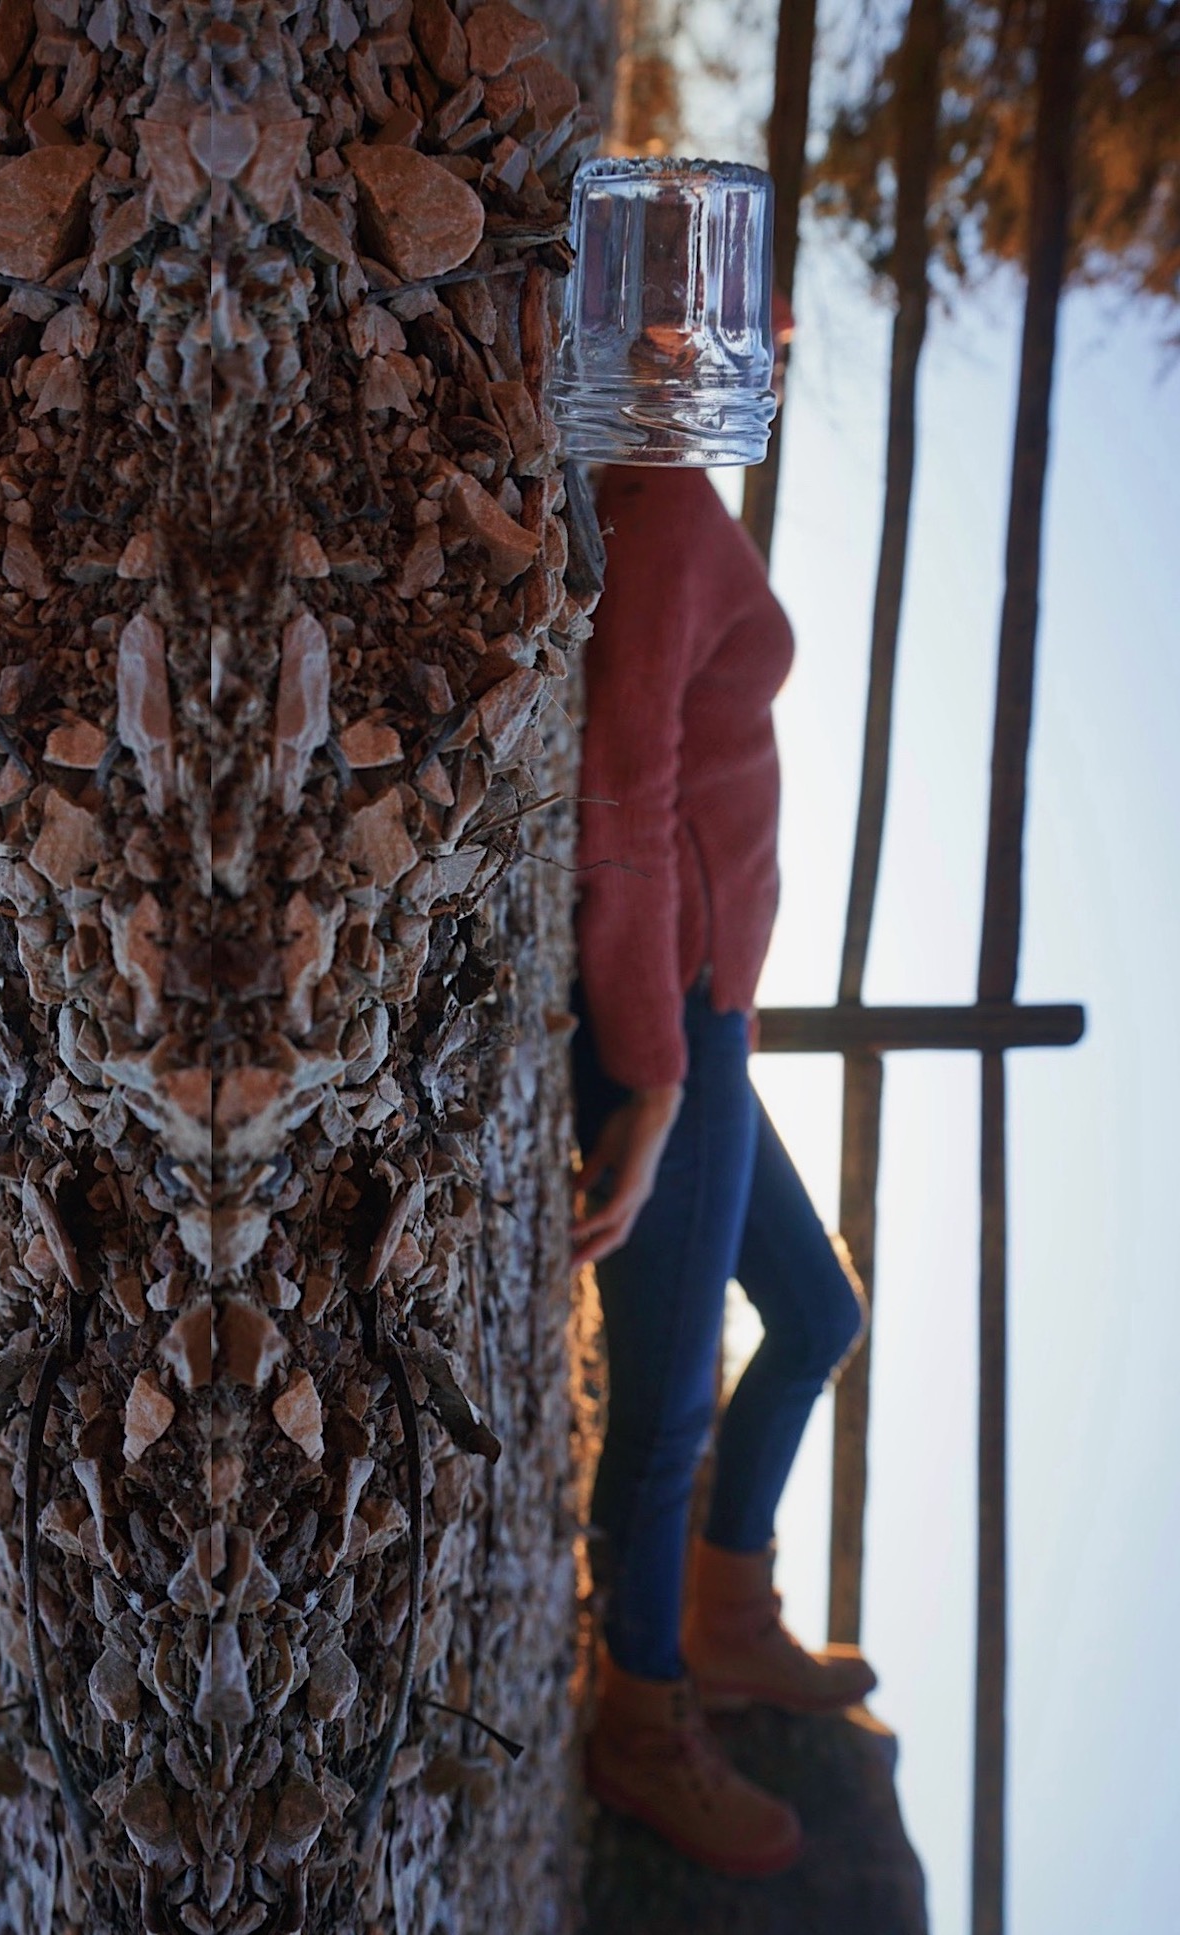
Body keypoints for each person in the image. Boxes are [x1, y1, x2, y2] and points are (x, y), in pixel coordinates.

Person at [570, 438, 875, 1876]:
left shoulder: (666, 492)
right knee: (661, 1412)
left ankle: (728, 1618)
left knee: (819, 1314)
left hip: (710, 1012)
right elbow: (622, 803)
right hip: (669, 1017)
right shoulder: (657, 503)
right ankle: (640, 1715)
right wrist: (647, 1066)